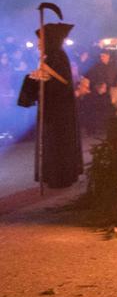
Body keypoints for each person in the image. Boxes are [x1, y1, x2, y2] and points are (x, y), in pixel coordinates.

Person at [17, 21, 84, 188]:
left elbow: (62, 83)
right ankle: (52, 175)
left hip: (59, 111)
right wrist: (35, 79)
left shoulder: (58, 57)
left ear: (50, 41)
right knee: (50, 143)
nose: (39, 44)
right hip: (50, 108)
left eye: (41, 41)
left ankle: (60, 177)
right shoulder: (50, 57)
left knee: (58, 143)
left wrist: (44, 78)